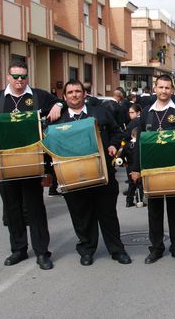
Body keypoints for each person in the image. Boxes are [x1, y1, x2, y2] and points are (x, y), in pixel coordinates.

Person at [0, 61, 62, 270]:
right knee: (12, 208)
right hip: (4, 162)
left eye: (23, 76)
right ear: (8, 77)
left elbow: (61, 101)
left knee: (35, 209)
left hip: (31, 162)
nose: (19, 80)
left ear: (27, 77)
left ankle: (42, 252)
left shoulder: (39, 96)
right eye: (15, 77)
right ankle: (19, 250)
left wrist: (58, 105)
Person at [51, 79, 132, 266]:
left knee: (108, 214)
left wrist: (112, 144)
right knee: (81, 215)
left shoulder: (100, 112)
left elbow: (118, 133)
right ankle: (87, 250)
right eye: (70, 92)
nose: (74, 95)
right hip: (74, 176)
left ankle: (117, 250)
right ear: (64, 97)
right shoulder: (58, 119)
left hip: (103, 173)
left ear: (84, 94)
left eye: (77, 91)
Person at [130, 75, 175, 264]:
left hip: (173, 166)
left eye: (167, 88)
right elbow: (140, 141)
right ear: (155, 88)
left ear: (172, 90)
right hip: (151, 168)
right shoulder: (147, 111)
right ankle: (156, 248)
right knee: (154, 210)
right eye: (161, 87)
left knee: (174, 209)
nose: (164, 91)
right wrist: (135, 168)